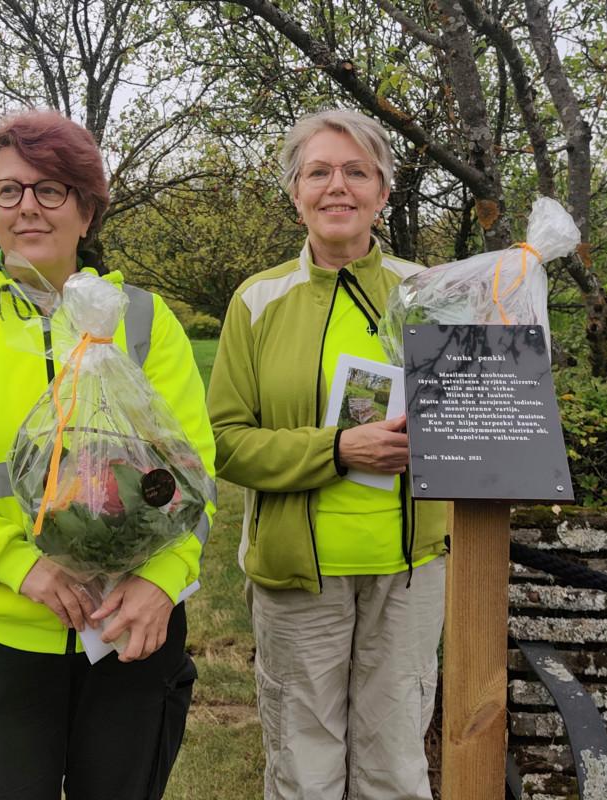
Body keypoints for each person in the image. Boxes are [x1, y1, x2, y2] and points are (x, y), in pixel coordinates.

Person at [0, 109, 215, 800]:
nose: (28, 207)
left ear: (87, 211)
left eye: (51, 190)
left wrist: (163, 582)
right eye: (9, 190)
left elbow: (193, 475)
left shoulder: (142, 320)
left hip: (131, 632)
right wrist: (17, 565)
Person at [207, 109, 447, 799]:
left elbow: (468, 419)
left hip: (408, 569)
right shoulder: (257, 301)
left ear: (383, 192)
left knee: (396, 765)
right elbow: (224, 441)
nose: (337, 186)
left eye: (356, 172)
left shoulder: (428, 293)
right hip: (296, 573)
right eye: (319, 172)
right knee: (304, 765)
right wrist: (338, 449)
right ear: (295, 191)